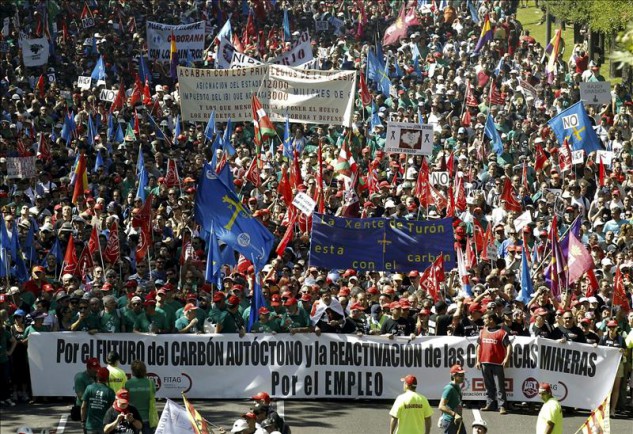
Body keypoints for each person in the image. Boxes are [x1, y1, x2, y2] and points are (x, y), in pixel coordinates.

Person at [476, 313, 512, 414]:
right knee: (488, 385)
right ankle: (490, 404)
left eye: (485, 318)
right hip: (485, 362)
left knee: (500, 386)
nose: (483, 320)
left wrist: (506, 359)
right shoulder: (482, 332)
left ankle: (502, 406)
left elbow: (509, 346)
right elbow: (478, 346)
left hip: (498, 363)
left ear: (491, 319)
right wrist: (477, 360)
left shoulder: (502, 333)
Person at [126, 360, 158, 434]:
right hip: (148, 418)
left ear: (133, 371)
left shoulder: (128, 384)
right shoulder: (151, 383)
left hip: (133, 418)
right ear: (144, 370)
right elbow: (153, 394)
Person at [82, 367, 116, 434]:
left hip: (90, 426)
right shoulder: (110, 392)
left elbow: (83, 407)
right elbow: (112, 410)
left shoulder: (89, 388)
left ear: (97, 376)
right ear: (107, 378)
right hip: (104, 426)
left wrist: (83, 421)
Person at [438, 364, 466, 434]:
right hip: (450, 421)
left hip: (457, 420)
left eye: (463, 374)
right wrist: (454, 414)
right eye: (460, 375)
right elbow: (441, 406)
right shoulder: (449, 388)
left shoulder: (457, 387)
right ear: (454, 375)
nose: (463, 377)